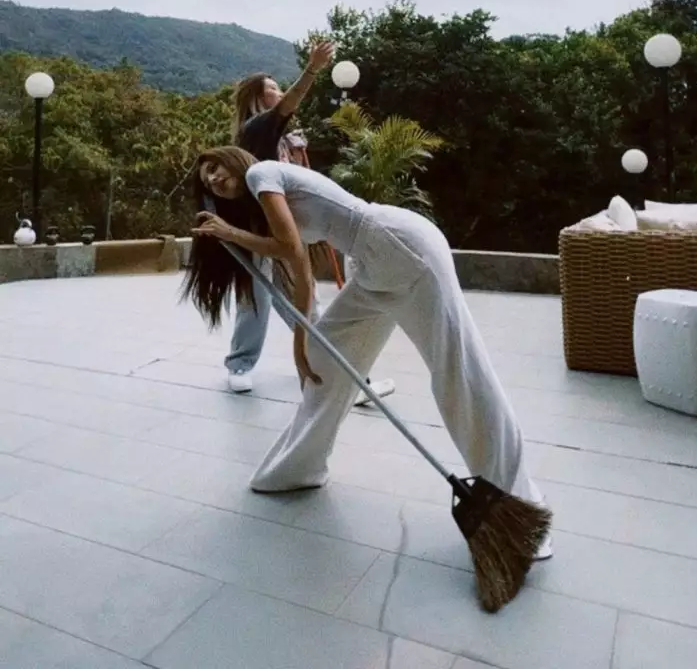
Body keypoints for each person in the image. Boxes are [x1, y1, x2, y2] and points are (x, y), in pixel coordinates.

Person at [184, 147, 552, 560]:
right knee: (325, 360)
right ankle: (299, 467)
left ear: (234, 159)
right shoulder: (261, 209)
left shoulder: (262, 175)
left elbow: (289, 247)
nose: (212, 179)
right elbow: (302, 273)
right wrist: (302, 345)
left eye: (214, 167)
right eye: (205, 179)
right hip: (371, 262)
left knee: (458, 374)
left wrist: (230, 234)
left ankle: (518, 502)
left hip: (400, 247)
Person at [226, 43, 395, 406]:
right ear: (256, 99)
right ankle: (240, 365)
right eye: (271, 88)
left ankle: (340, 376)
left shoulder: (280, 137)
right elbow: (290, 103)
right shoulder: (256, 127)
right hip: (257, 229)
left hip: (285, 230)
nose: (278, 92)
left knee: (303, 304)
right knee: (255, 298)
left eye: (277, 87)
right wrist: (313, 68)